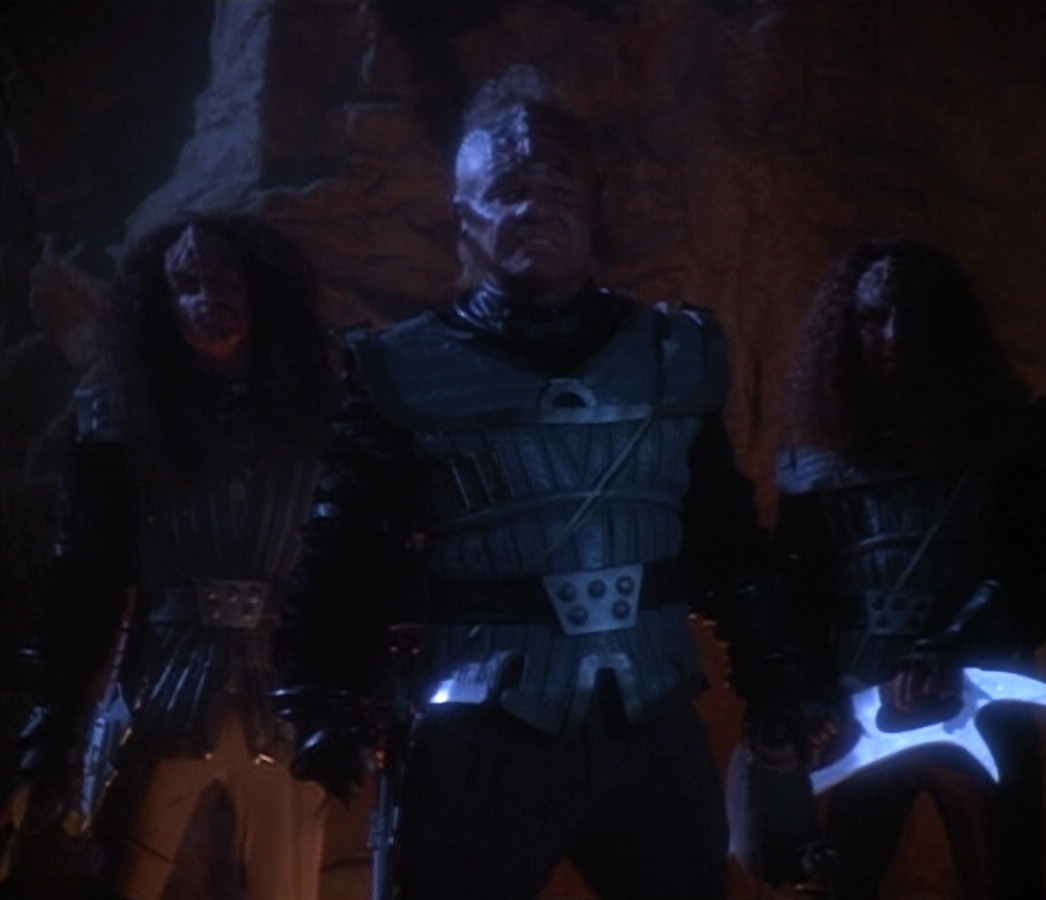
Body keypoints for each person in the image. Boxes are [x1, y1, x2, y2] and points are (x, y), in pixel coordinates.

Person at [271, 65, 809, 900]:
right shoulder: (404, 371)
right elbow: (347, 547)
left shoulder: (671, 355)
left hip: (651, 716)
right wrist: (321, 694)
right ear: (466, 215)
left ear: (594, 204)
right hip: (483, 728)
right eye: (510, 189)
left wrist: (771, 669)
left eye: (557, 186)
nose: (535, 207)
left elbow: (720, 531)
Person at [9, 215, 335, 900]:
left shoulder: (323, 413)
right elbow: (88, 575)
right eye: (186, 283)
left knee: (286, 880)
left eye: (226, 280)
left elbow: (349, 563)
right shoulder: (122, 416)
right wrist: (55, 720)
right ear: (161, 300)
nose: (208, 298)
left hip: (284, 685)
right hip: (160, 683)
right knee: (127, 872)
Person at [773, 239, 1046, 900]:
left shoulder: (1014, 441)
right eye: (872, 318)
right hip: (858, 708)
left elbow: (1043, 573)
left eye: (912, 316)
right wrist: (806, 689)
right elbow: (797, 594)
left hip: (980, 698)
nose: (892, 336)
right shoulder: (817, 467)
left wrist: (953, 644)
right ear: (847, 333)